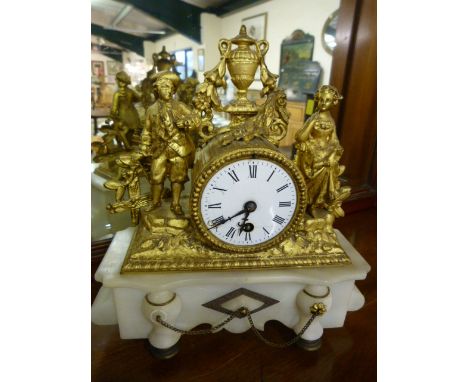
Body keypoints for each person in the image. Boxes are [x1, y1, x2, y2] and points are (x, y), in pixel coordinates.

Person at [141, 71, 201, 215]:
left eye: (170, 88)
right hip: (159, 149)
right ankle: (156, 202)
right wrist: (144, 145)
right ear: (157, 90)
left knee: (178, 178)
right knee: (156, 177)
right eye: (165, 88)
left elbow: (195, 119)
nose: (169, 91)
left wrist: (186, 122)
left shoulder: (179, 106)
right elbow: (146, 130)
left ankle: (175, 204)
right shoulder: (151, 109)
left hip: (178, 148)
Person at [295, 85, 350, 217]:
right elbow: (300, 137)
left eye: (327, 100)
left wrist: (332, 154)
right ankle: (305, 202)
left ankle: (317, 203)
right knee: (319, 168)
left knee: (329, 165)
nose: (323, 103)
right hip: (312, 154)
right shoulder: (313, 118)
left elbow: (335, 140)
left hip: (326, 153)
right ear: (317, 100)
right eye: (321, 100)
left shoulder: (331, 120)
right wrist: (312, 123)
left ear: (334, 102)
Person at [110, 71, 141, 149]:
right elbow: (138, 99)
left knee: (120, 134)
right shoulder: (131, 91)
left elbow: (114, 109)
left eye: (116, 80)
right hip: (133, 116)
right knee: (131, 135)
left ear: (120, 81)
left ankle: (124, 149)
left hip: (123, 118)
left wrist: (112, 115)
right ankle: (130, 148)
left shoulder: (117, 94)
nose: (116, 81)